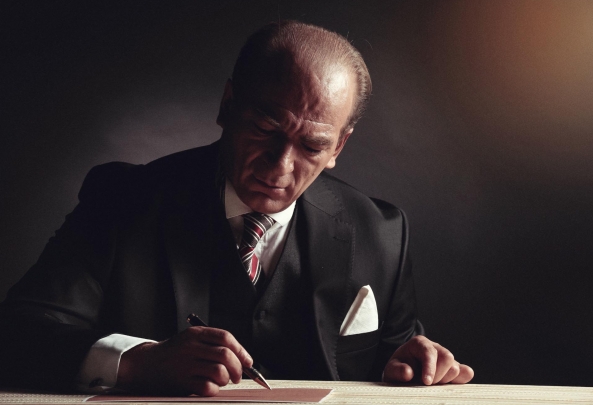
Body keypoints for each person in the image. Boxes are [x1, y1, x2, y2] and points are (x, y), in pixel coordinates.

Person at [0, 20, 473, 396]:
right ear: (228, 105)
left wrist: (411, 365)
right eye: (266, 129)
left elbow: (393, 360)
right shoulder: (123, 200)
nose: (280, 166)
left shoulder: (382, 231)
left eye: (312, 146)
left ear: (339, 147)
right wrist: (139, 363)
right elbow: (18, 335)